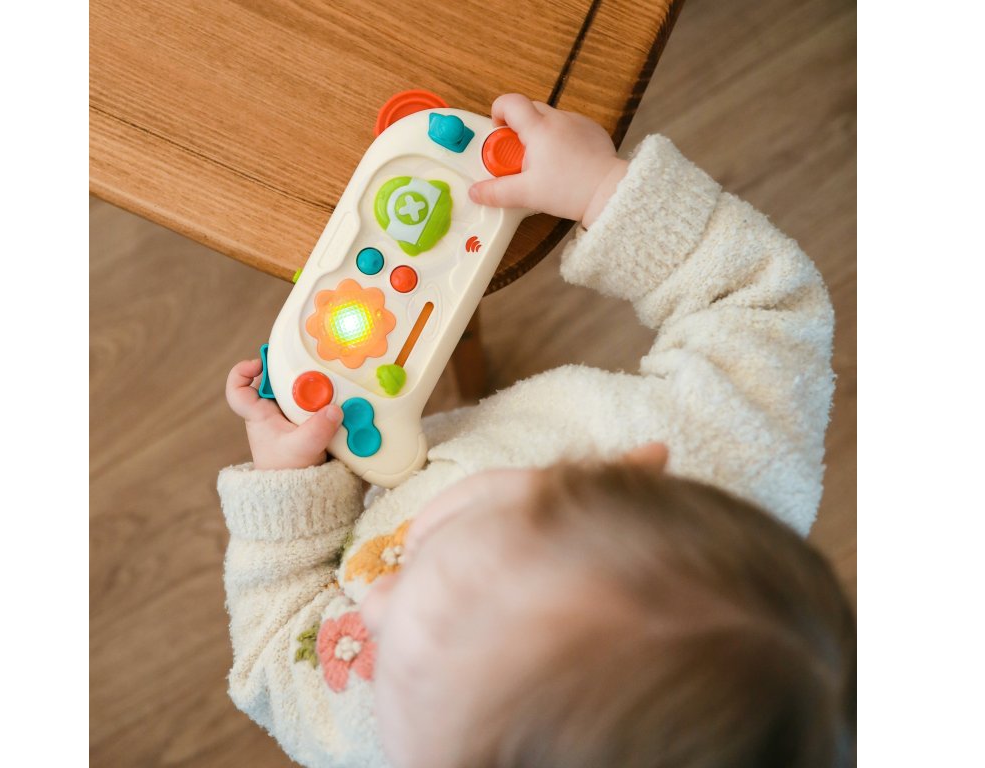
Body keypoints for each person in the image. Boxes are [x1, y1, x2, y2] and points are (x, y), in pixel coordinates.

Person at [218, 93, 854, 768]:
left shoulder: (363, 723)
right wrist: (603, 190)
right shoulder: (733, 454)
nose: (368, 606)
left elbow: (275, 654)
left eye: (388, 649)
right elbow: (761, 304)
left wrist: (292, 489)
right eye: (418, 567)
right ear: (629, 470)